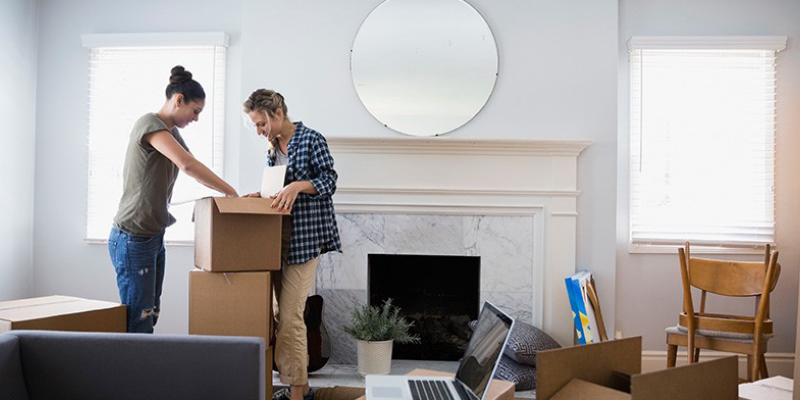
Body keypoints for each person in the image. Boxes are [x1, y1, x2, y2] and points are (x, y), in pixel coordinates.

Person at [109, 65, 238, 333]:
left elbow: (191, 166)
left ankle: (143, 372)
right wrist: (230, 191)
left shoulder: (170, 133)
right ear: (178, 100)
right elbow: (187, 165)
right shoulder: (150, 124)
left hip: (153, 237)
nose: (197, 118)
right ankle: (132, 375)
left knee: (150, 314)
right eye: (196, 111)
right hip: (133, 236)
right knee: (139, 320)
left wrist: (209, 202)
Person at [243, 89, 342, 400]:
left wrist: (299, 186)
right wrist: (257, 196)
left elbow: (329, 181)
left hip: (304, 239)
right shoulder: (273, 147)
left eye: (261, 124)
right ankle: (302, 386)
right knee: (275, 315)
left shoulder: (312, 139)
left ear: (278, 114)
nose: (259, 132)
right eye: (255, 126)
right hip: (274, 240)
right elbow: (276, 190)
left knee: (290, 316)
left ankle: (296, 391)